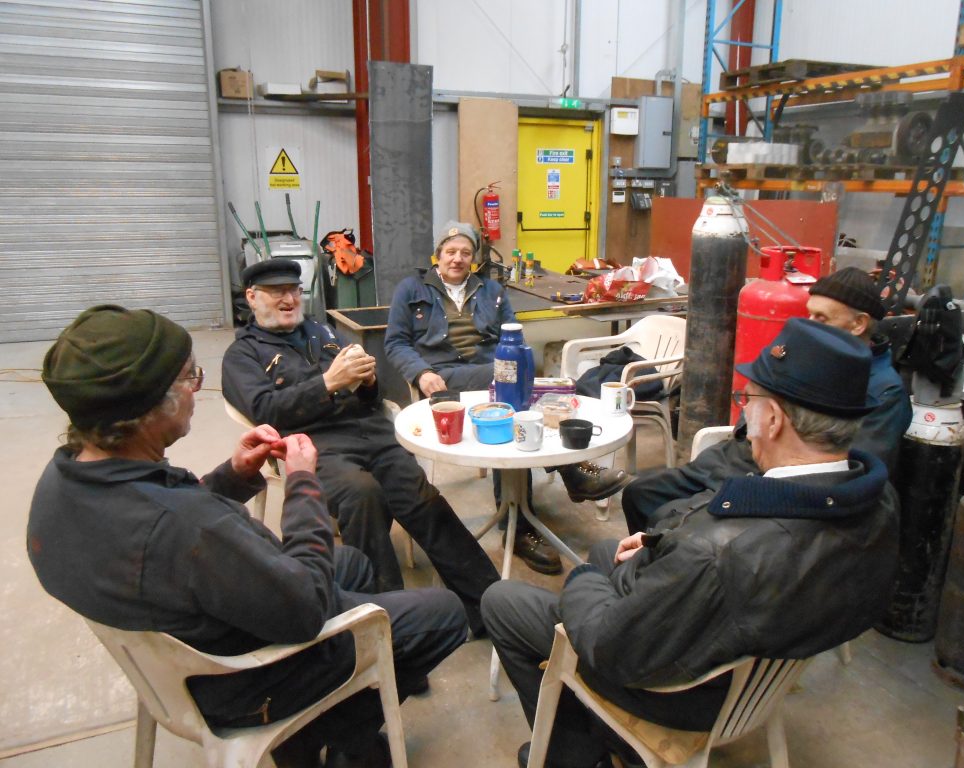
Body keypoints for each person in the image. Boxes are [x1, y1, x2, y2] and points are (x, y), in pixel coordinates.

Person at [28, 305, 468, 768]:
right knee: (442, 615)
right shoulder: (190, 526)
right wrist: (301, 482)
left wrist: (232, 476)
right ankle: (326, 731)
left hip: (174, 645)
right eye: (189, 378)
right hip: (238, 679)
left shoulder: (63, 479)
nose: (197, 389)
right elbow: (306, 609)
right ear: (151, 406)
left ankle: (343, 724)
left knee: (354, 564)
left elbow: (165, 513)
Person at [482, 319, 900, 768]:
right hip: (757, 660)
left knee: (504, 600)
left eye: (749, 401)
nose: (745, 413)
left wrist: (582, 578)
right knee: (610, 552)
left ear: (775, 419)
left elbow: (610, 647)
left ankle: (570, 755)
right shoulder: (876, 502)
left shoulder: (718, 552)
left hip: (687, 691)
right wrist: (661, 542)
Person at [222, 259, 499, 635]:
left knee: (424, 499)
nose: (287, 299)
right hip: (315, 443)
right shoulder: (242, 355)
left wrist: (368, 380)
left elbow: (375, 397)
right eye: (276, 293)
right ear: (252, 298)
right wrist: (328, 382)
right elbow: (265, 411)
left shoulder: (324, 332)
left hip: (371, 431)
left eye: (292, 290)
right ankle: (392, 628)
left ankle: (490, 607)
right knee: (362, 496)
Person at [384, 221, 629, 575]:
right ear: (437, 254)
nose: (457, 259)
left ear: (473, 258)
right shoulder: (411, 289)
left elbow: (514, 334)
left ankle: (524, 520)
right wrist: (420, 372)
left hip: (491, 373)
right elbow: (395, 342)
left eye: (465, 253)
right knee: (514, 392)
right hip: (446, 378)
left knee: (521, 396)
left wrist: (518, 368)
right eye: (450, 252)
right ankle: (568, 477)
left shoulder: (491, 289)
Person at [622, 265, 912, 535]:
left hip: (768, 475)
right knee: (639, 494)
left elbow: (847, 473)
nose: (808, 324)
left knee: (672, 523)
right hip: (732, 456)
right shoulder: (805, 353)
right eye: (808, 314)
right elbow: (757, 398)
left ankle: (658, 567)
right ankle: (646, 566)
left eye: (821, 318)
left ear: (859, 324)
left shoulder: (883, 392)